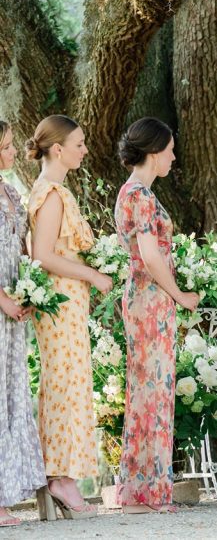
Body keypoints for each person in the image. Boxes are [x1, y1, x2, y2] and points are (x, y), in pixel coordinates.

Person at [27, 115, 112, 520]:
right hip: (58, 304)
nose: (84, 150)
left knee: (71, 384)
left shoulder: (54, 191)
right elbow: (43, 254)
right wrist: (93, 274)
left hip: (66, 304)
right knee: (65, 385)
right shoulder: (52, 194)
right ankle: (60, 476)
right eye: (78, 144)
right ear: (57, 149)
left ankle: (62, 475)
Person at [114, 118, 201, 513]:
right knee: (154, 393)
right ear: (153, 151)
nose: (173, 155)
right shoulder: (141, 196)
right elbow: (150, 256)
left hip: (142, 299)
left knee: (145, 391)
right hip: (151, 300)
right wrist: (180, 295)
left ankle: (138, 492)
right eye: (169, 149)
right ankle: (150, 494)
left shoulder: (131, 192)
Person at [0, 120, 46, 527]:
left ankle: (7, 492)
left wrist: (31, 291)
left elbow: (23, 248)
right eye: (8, 146)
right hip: (0, 304)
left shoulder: (12, 193)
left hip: (15, 309)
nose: (14, 152)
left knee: (13, 391)